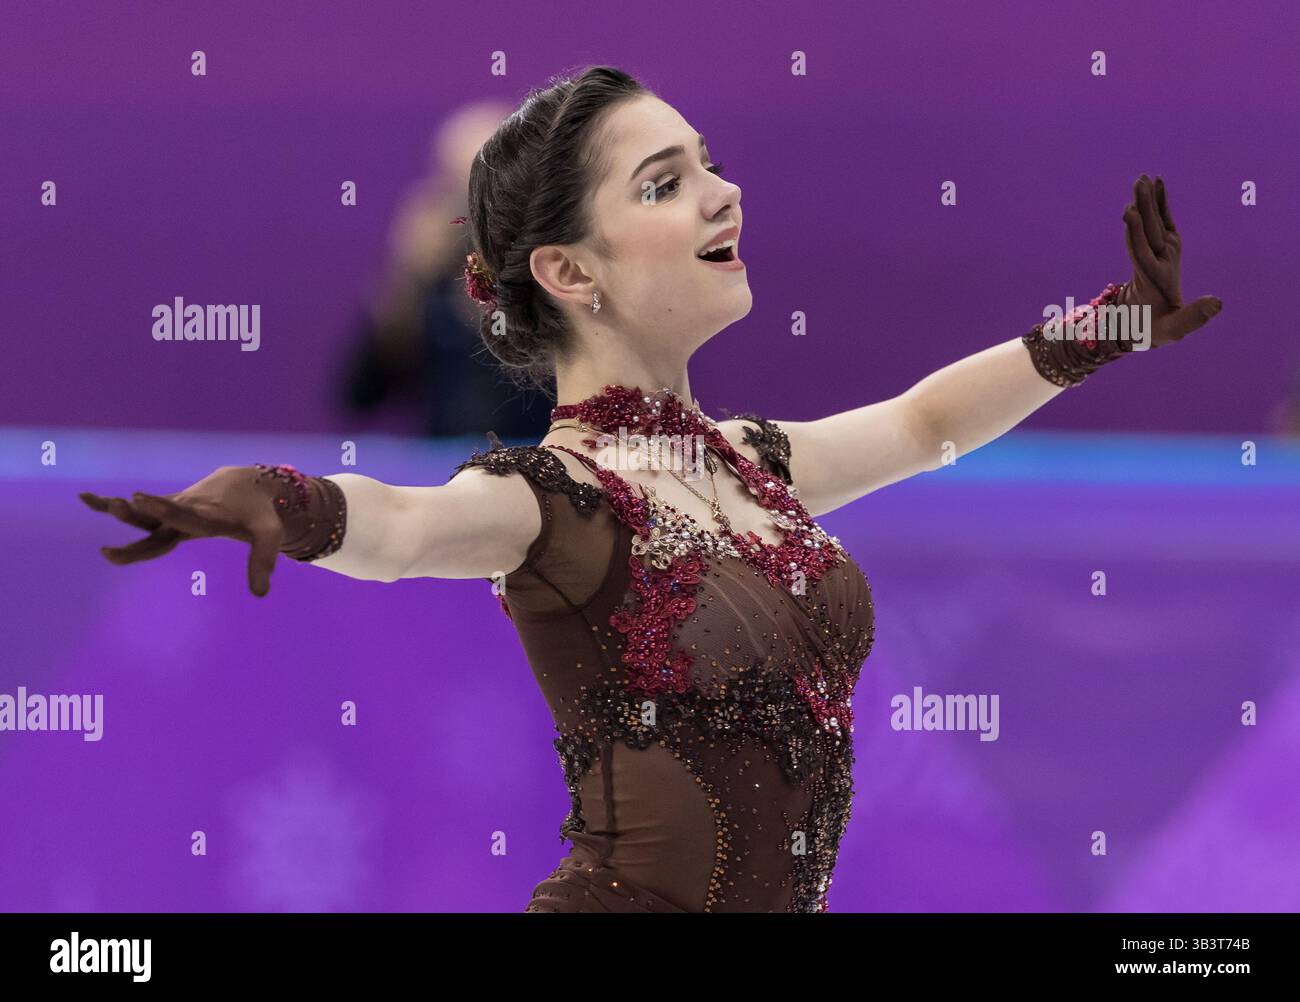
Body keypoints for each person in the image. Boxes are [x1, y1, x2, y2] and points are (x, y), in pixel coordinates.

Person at [80, 65, 1223, 913]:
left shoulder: (756, 464)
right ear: (570, 272)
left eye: (710, 163)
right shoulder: (550, 495)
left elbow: (926, 424)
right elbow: (402, 523)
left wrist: (1113, 325)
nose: (724, 194)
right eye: (668, 183)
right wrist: (271, 498)